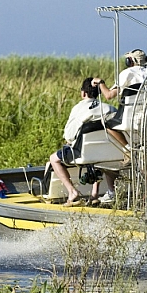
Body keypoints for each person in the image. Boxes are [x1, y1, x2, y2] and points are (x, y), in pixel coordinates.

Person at [48, 77, 118, 206]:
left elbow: (69, 135)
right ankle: (96, 194)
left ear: (83, 93)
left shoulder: (78, 109)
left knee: (54, 159)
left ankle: (72, 192)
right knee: (101, 155)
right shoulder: (110, 109)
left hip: (85, 153)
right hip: (109, 152)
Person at [94, 49, 147, 149]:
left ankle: (128, 149)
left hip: (131, 118)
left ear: (130, 61)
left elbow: (109, 95)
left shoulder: (127, 74)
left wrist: (100, 82)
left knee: (107, 124)